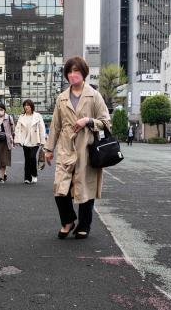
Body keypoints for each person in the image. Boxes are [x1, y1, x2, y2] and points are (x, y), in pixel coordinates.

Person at [44, 56, 110, 240]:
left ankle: (84, 225)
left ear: (83, 73)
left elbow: (106, 122)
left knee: (85, 188)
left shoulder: (94, 95)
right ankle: (68, 221)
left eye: (76, 71)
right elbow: (55, 126)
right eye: (70, 72)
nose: (73, 75)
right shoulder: (61, 98)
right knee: (60, 187)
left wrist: (88, 121)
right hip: (66, 148)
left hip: (86, 149)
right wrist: (48, 149)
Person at [14, 99, 46, 184]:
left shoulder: (37, 116)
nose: (26, 107)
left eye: (28, 105)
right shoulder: (22, 116)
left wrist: (43, 141)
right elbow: (17, 128)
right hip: (25, 141)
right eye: (25, 105)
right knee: (27, 159)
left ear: (31, 106)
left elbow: (42, 128)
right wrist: (17, 140)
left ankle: (34, 175)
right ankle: (27, 178)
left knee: (32, 157)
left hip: (35, 140)